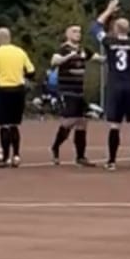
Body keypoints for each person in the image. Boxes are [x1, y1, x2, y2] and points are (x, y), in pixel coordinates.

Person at [92, 0, 130, 170]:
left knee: (114, 125)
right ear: (128, 29)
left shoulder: (109, 41)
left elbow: (95, 27)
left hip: (115, 87)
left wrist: (108, 10)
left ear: (115, 29)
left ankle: (111, 161)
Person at [0, 27, 35, 167]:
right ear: (10, 38)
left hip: (4, 91)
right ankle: (16, 156)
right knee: (14, 124)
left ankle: (5, 157)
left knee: (4, 125)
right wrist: (22, 77)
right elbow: (31, 71)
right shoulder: (20, 52)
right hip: (19, 91)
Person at [49, 25, 100, 167]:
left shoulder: (83, 50)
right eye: (74, 31)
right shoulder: (63, 49)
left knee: (83, 121)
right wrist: (69, 56)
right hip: (67, 91)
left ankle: (80, 156)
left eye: (79, 32)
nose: (78, 34)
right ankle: (55, 146)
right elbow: (55, 61)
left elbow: (98, 58)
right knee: (70, 120)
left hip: (79, 92)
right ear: (67, 34)